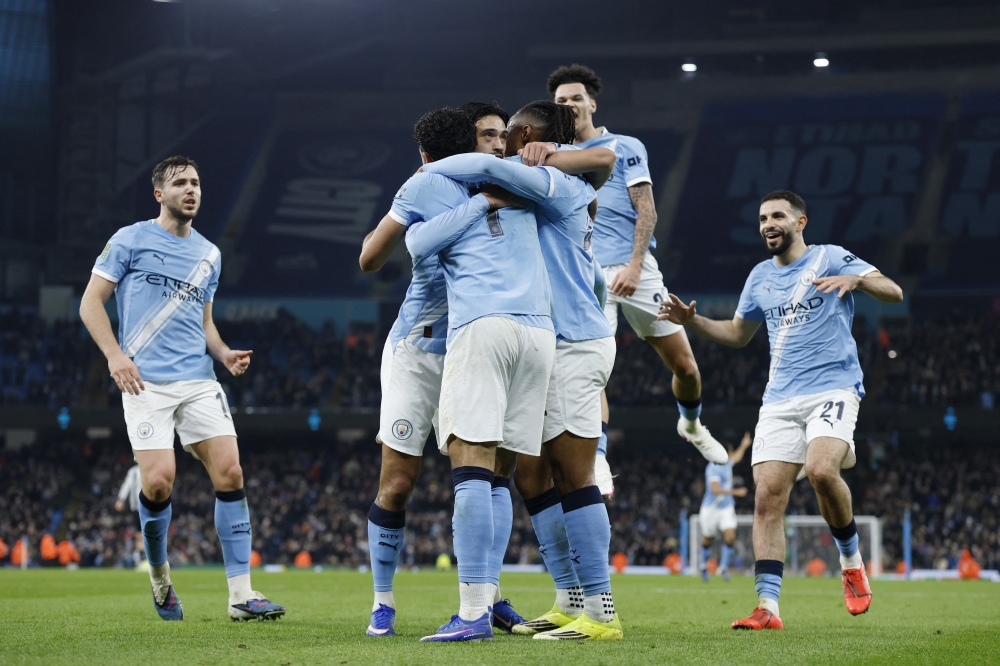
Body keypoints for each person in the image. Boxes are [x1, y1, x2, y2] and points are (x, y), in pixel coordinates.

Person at [421, 101, 623, 640]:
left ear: (526, 133)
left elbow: (489, 169)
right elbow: (594, 278)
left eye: (505, 133)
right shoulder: (559, 185)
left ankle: (601, 613)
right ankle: (569, 598)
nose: (498, 142)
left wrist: (429, 167)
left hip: (573, 344)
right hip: (557, 339)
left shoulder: (554, 182)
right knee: (533, 475)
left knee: (575, 476)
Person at [658, 190, 903, 630]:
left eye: (776, 216)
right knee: (766, 498)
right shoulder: (759, 277)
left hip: (833, 387)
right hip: (779, 399)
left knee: (822, 470)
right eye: (762, 219)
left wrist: (857, 280)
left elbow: (894, 291)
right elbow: (737, 334)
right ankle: (767, 607)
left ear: (800, 222)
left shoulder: (830, 257)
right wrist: (691, 321)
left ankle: (851, 563)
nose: (767, 224)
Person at [79, 156, 284, 622]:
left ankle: (241, 596)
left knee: (231, 472)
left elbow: (205, 323)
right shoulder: (130, 239)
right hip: (144, 382)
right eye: (180, 183)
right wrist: (114, 355)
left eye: (195, 182)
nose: (191, 190)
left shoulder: (210, 254)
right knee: (157, 482)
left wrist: (224, 353)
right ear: (159, 194)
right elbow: (91, 303)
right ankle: (160, 579)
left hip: (197, 380)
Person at [358, 104, 529, 637]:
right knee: (398, 483)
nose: (498, 144)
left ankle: (487, 597)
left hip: (479, 348)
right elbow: (370, 258)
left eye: (503, 135)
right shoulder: (427, 187)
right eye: (488, 135)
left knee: (493, 476)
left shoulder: (516, 187)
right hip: (420, 350)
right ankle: (382, 601)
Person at [548, 64, 729, 498]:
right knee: (592, 371)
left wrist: (633, 266)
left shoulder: (624, 146)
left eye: (575, 98)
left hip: (637, 268)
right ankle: (599, 456)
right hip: (585, 274)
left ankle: (691, 424)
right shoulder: (553, 155)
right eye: (561, 101)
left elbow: (646, 208)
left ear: (592, 104)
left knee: (686, 368)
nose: (569, 105)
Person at [699, 432, 751, 582]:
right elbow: (715, 489)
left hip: (726, 508)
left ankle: (723, 568)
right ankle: (703, 565)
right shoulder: (713, 468)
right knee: (708, 540)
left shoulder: (727, 463)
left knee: (730, 537)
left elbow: (737, 457)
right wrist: (736, 491)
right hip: (711, 509)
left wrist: (744, 445)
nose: (731, 454)